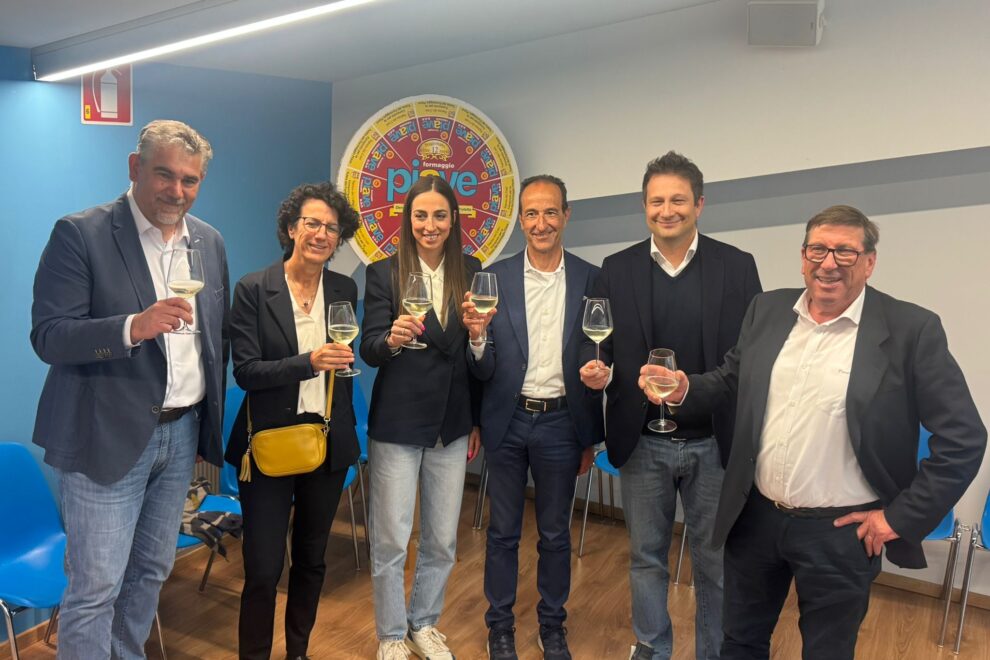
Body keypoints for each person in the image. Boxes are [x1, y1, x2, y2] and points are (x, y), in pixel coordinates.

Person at [644, 204, 987, 659]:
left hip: (841, 533)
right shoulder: (767, 309)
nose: (829, 263)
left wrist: (897, 518)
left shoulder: (911, 329)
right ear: (803, 257)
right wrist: (685, 387)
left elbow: (964, 438)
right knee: (739, 642)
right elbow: (731, 379)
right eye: (818, 250)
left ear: (870, 262)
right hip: (756, 517)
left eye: (846, 252)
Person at [30, 119, 228, 659]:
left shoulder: (208, 241)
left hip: (180, 434)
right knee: (96, 587)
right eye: (165, 174)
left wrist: (206, 427)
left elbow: (213, 341)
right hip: (104, 437)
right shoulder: (81, 233)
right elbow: (49, 336)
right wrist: (131, 327)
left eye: (190, 180)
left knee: (151, 570)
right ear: (135, 167)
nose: (177, 191)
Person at [580, 152, 762, 660]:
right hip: (642, 441)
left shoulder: (737, 266)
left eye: (678, 200)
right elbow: (600, 345)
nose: (667, 210)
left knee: (715, 562)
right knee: (646, 558)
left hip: (714, 443)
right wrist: (599, 370)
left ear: (699, 204)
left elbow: (752, 355)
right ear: (644, 207)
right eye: (656, 201)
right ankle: (652, 648)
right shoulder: (616, 269)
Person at [463, 175, 604, 660]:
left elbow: (600, 350)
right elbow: (481, 367)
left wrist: (590, 435)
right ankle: (499, 627)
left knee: (555, 535)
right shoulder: (493, 278)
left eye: (550, 212)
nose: (540, 223)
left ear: (566, 215)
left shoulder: (591, 278)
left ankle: (552, 626)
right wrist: (477, 339)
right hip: (507, 421)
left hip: (563, 424)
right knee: (502, 533)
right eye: (531, 213)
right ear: (520, 219)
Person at [225, 181, 362, 660]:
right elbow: (246, 372)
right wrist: (310, 362)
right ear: (290, 228)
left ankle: (298, 652)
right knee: (263, 570)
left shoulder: (344, 288)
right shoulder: (253, 288)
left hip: (327, 442)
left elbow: (347, 356)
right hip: (268, 445)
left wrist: (335, 362)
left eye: (332, 227)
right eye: (312, 223)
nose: (322, 234)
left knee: (311, 560)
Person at [360, 174, 482, 660]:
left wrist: (476, 420)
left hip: (452, 424)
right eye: (420, 215)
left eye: (439, 215)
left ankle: (424, 624)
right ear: (407, 220)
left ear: (453, 220)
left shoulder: (471, 270)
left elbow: (475, 356)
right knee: (391, 537)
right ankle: (391, 634)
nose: (429, 225)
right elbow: (369, 349)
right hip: (398, 422)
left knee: (442, 539)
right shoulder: (383, 273)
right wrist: (390, 339)